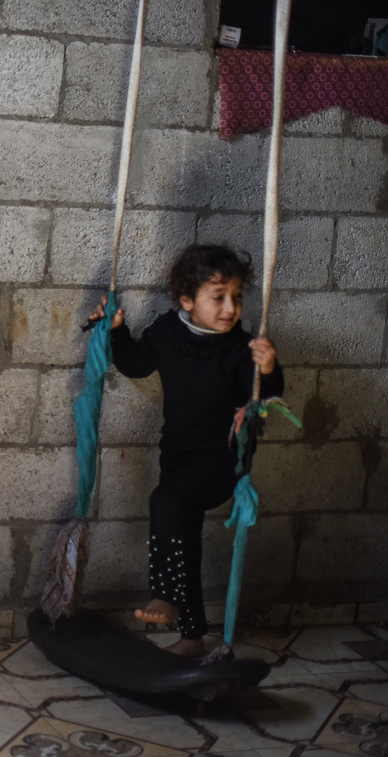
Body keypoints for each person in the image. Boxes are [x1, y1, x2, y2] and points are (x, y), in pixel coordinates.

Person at [89, 244, 282, 658]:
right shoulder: (167, 332)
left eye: (237, 297)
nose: (231, 308)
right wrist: (118, 329)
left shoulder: (242, 348)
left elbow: (267, 395)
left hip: (223, 461)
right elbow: (137, 364)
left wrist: (267, 369)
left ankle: (164, 596)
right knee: (183, 536)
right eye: (219, 297)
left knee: (166, 501)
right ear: (187, 302)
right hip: (177, 456)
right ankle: (193, 636)